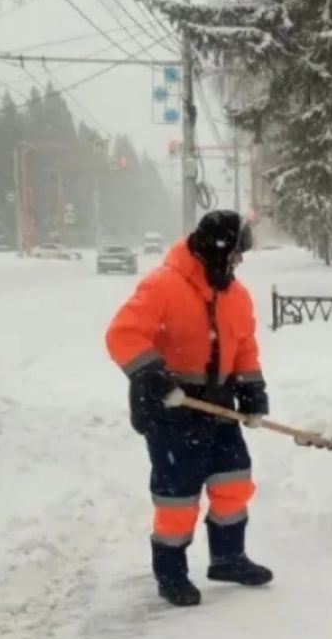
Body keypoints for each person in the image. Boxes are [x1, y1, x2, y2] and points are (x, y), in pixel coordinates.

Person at [105, 210, 272, 608]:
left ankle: (228, 558)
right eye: (234, 255)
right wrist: (152, 374)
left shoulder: (237, 295)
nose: (238, 263)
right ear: (216, 251)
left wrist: (253, 390)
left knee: (233, 480)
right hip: (172, 410)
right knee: (177, 497)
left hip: (219, 406)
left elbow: (244, 345)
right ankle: (172, 574)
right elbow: (122, 334)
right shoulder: (164, 285)